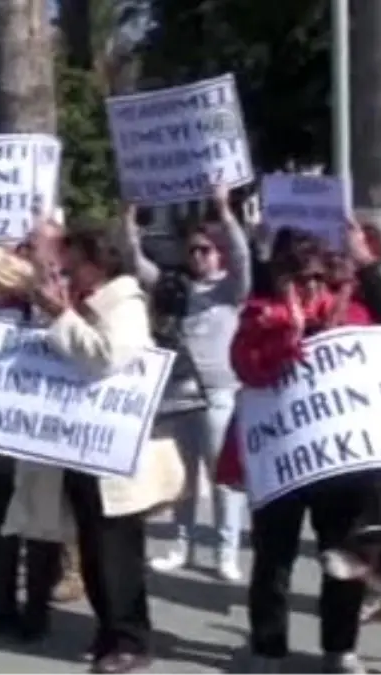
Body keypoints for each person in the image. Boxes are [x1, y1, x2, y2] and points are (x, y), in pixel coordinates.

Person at [3, 223, 184, 673]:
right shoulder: (84, 304)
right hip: (81, 447)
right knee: (94, 550)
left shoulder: (125, 305)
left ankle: (132, 641)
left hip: (114, 455)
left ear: (99, 264)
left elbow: (104, 358)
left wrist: (62, 317)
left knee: (117, 553)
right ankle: (108, 634)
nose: (68, 270)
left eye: (75, 263)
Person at [217, 228, 381, 675]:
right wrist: (289, 335)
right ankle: (269, 649)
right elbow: (247, 367)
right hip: (282, 461)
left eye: (315, 277)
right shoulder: (258, 316)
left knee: (344, 556)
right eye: (297, 277)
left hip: (338, 461)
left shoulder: (353, 313)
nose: (309, 286)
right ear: (280, 279)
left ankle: (340, 648)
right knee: (274, 559)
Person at [131, 185, 251, 581]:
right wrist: (128, 223)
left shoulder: (229, 290)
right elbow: (138, 265)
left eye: (206, 249)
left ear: (217, 254)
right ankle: (181, 545)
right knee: (182, 474)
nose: (198, 255)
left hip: (220, 393)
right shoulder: (174, 287)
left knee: (222, 475)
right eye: (193, 249)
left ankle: (225, 550)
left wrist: (224, 210)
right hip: (179, 390)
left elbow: (242, 256)